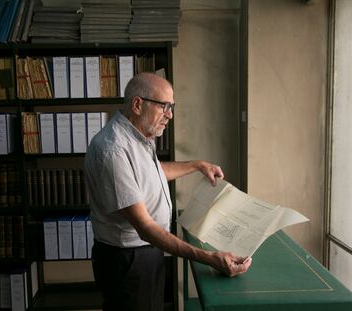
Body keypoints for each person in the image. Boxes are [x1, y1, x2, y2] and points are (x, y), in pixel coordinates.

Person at [85, 72, 252, 311]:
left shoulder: (138, 135)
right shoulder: (113, 150)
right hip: (129, 260)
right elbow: (146, 228)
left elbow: (151, 172)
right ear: (137, 104)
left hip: (144, 254)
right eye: (164, 106)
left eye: (171, 107)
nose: (170, 115)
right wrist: (209, 258)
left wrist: (196, 165)